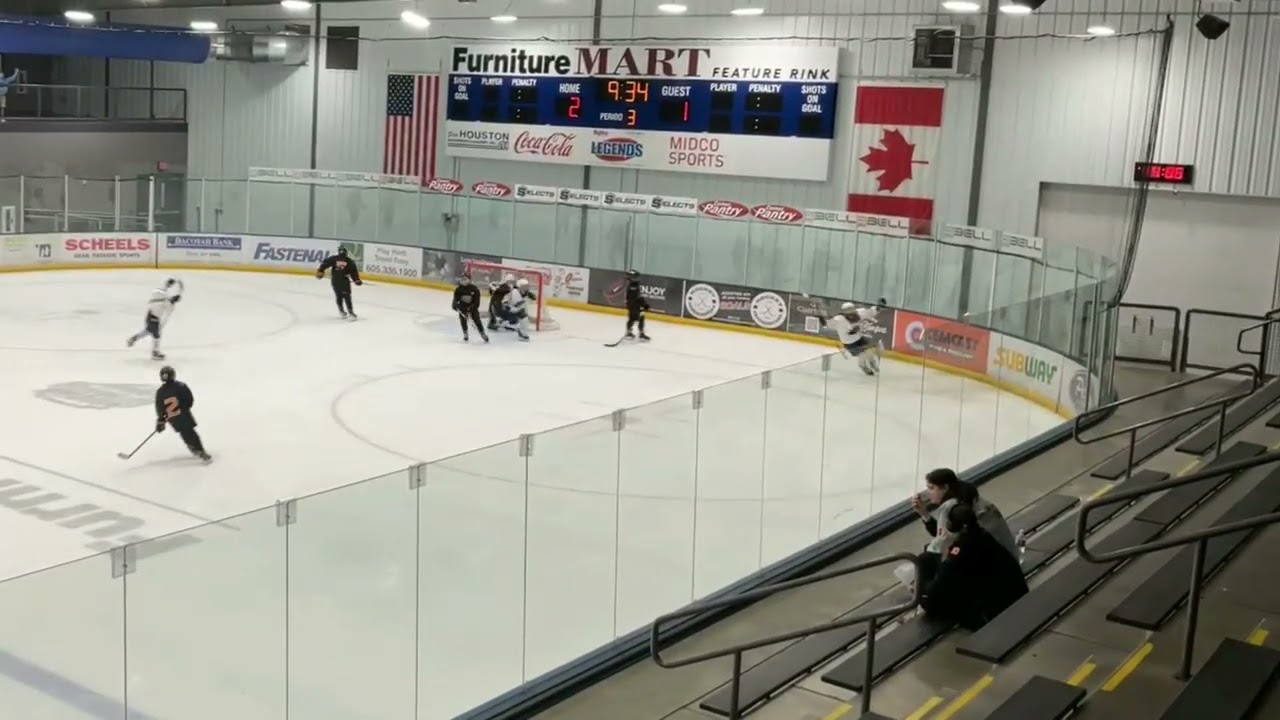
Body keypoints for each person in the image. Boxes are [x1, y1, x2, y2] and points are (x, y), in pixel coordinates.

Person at [920, 502, 1028, 630]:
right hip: (1013, 594)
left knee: (929, 599)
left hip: (991, 611)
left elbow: (940, 584)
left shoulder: (960, 550)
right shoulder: (983, 535)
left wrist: (922, 588)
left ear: (961, 527)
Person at [154, 365, 211, 463]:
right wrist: (184, 408)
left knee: (184, 433)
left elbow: (160, 408)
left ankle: (194, 449)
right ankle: (200, 451)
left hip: (173, 419)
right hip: (184, 415)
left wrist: (161, 421)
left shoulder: (160, 392)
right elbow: (189, 400)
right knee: (191, 433)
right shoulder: (180, 386)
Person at [126, 277, 184, 361]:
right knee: (156, 334)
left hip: (151, 317)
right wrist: (167, 285)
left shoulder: (169, 305)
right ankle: (155, 352)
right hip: (152, 317)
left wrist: (167, 286)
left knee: (149, 331)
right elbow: (160, 290)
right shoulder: (162, 296)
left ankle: (133, 339)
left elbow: (166, 316)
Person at [818, 301, 880, 376]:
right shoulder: (839, 320)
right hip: (850, 343)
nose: (851, 315)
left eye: (852, 313)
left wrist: (879, 306)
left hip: (859, 338)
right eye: (848, 314)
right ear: (844, 313)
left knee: (870, 352)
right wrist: (821, 318)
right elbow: (826, 323)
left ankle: (872, 363)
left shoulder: (860, 313)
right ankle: (863, 367)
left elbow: (871, 311)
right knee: (862, 355)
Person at [315, 246, 362, 319]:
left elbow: (325, 263)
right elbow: (353, 272)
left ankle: (342, 311)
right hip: (344, 280)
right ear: (346, 252)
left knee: (339, 296)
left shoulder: (334, 258)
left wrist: (320, 270)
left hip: (335, 280)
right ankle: (350, 312)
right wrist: (356, 280)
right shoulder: (349, 261)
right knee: (347, 296)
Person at [452, 273, 488, 343]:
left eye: (465, 279)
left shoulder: (474, 289)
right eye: (462, 279)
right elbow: (455, 301)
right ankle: (465, 333)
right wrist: (455, 306)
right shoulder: (458, 290)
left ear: (469, 280)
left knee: (477, 320)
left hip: (472, 307)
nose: (463, 281)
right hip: (463, 307)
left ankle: (482, 333)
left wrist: (471, 308)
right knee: (463, 320)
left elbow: (477, 302)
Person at [499, 277, 532, 341]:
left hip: (511, 309)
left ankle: (507, 323)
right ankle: (521, 333)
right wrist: (525, 299)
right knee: (523, 316)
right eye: (524, 286)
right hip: (506, 310)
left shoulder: (521, 292)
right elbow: (516, 305)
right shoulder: (515, 292)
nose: (526, 288)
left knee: (522, 316)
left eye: (526, 286)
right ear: (519, 287)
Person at [623, 269, 651, 342]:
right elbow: (638, 298)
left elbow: (632, 298)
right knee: (640, 317)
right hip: (635, 306)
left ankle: (629, 332)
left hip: (632, 306)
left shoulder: (633, 285)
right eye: (635, 277)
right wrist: (644, 304)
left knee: (632, 318)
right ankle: (639, 333)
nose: (637, 278)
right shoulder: (634, 287)